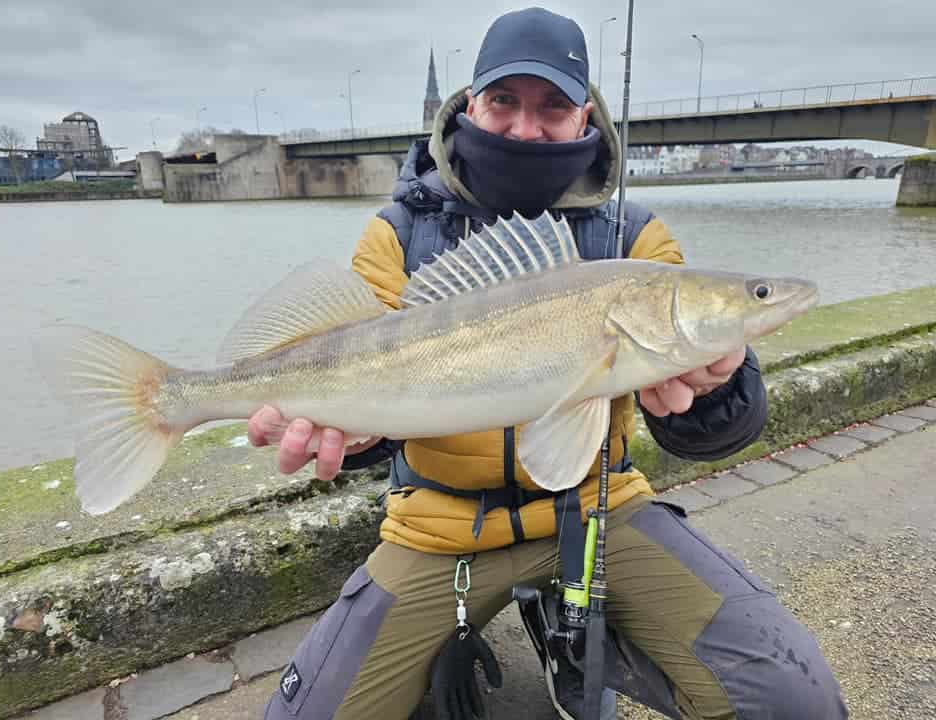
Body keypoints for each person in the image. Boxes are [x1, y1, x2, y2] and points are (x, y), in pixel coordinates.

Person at [258, 8, 848, 720]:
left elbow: (707, 436)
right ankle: (454, 668)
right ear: (469, 104)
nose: (524, 128)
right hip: (438, 525)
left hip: (602, 511)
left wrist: (721, 386)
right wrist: (355, 436)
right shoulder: (398, 231)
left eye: (554, 107)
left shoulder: (635, 239)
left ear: (585, 121)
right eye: (504, 101)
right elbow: (378, 402)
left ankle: (583, 648)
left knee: (794, 701)